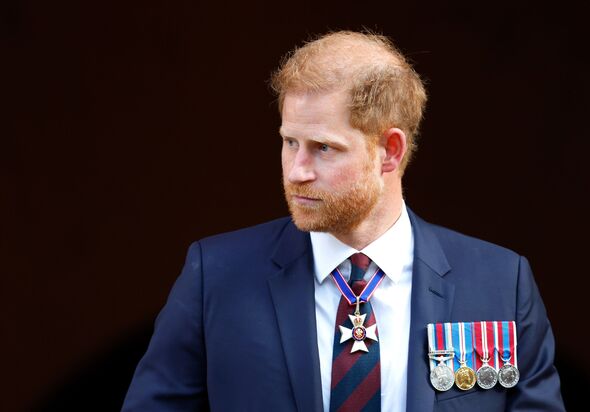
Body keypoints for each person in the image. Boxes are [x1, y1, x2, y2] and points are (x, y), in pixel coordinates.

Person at [122, 31, 564, 411]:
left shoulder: (500, 283)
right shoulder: (215, 277)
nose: (297, 170)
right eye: (290, 141)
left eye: (323, 148)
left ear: (389, 151)